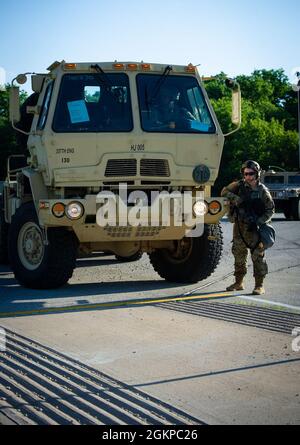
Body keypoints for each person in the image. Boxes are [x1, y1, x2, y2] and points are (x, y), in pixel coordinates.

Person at [221, 160, 275, 295]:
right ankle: (238, 282)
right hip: (239, 227)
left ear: (257, 174)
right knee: (239, 254)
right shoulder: (238, 186)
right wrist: (237, 199)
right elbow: (224, 191)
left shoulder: (262, 191)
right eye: (245, 174)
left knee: (258, 256)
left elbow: (270, 210)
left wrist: (259, 221)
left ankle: (259, 285)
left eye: (251, 174)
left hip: (255, 228)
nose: (248, 177)